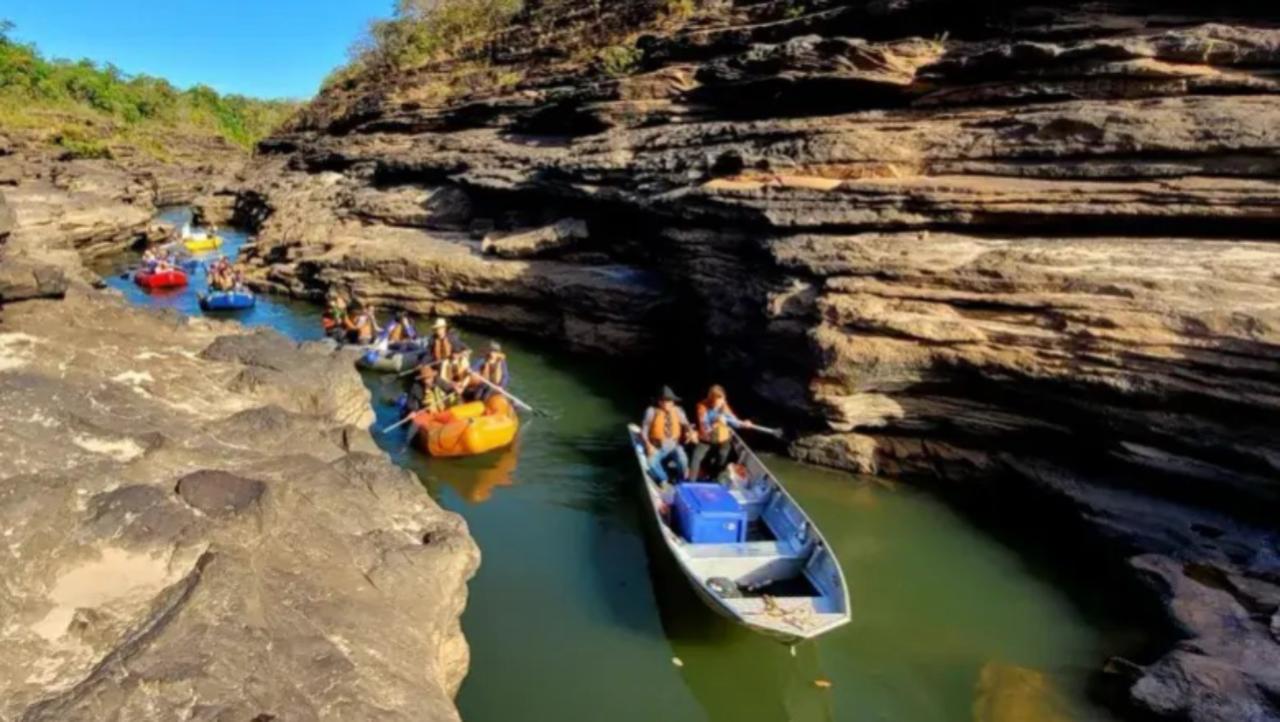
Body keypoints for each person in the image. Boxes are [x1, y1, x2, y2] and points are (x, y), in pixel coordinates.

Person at [690, 384, 752, 481]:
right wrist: (716, 420)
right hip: (707, 438)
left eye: (722, 400)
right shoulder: (702, 407)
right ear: (711, 400)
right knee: (696, 458)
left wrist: (743, 423)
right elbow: (705, 425)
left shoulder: (724, 405)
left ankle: (713, 478)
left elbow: (733, 420)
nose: (721, 403)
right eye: (718, 401)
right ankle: (691, 481)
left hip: (722, 439)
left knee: (722, 458)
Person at [641, 386, 696, 484]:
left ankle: (680, 479)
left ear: (673, 402)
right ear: (659, 401)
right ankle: (663, 478)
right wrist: (648, 445)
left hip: (674, 446)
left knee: (683, 459)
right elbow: (644, 431)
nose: (666, 403)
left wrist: (690, 432)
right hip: (657, 447)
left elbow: (686, 424)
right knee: (651, 463)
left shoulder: (678, 411)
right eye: (663, 400)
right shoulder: (651, 411)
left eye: (669, 401)